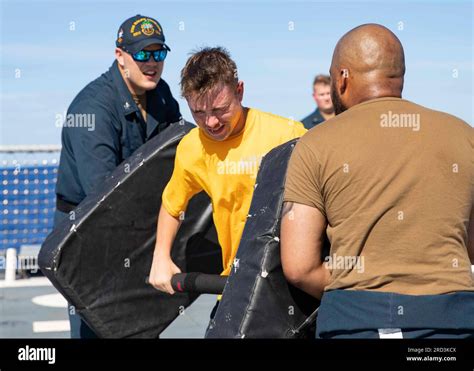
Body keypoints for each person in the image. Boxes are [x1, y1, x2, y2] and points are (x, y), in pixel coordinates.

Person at [281, 24, 474, 338]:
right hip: (452, 321)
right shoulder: (464, 135)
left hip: (355, 322)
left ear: (342, 78)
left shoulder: (315, 144)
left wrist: (356, 285)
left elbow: (299, 266)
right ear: (399, 75)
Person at [148, 47, 307, 316]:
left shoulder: (287, 135)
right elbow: (172, 205)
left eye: (220, 109)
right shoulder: (192, 148)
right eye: (198, 112)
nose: (210, 122)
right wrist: (160, 257)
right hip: (236, 282)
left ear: (240, 91)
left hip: (291, 283)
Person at [54, 14, 182, 338]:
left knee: (141, 327)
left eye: (159, 53)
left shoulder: (161, 95)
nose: (151, 63)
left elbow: (184, 154)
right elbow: (103, 197)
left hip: (136, 228)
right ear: (120, 56)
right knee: (97, 329)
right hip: (87, 236)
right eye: (141, 54)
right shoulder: (92, 109)